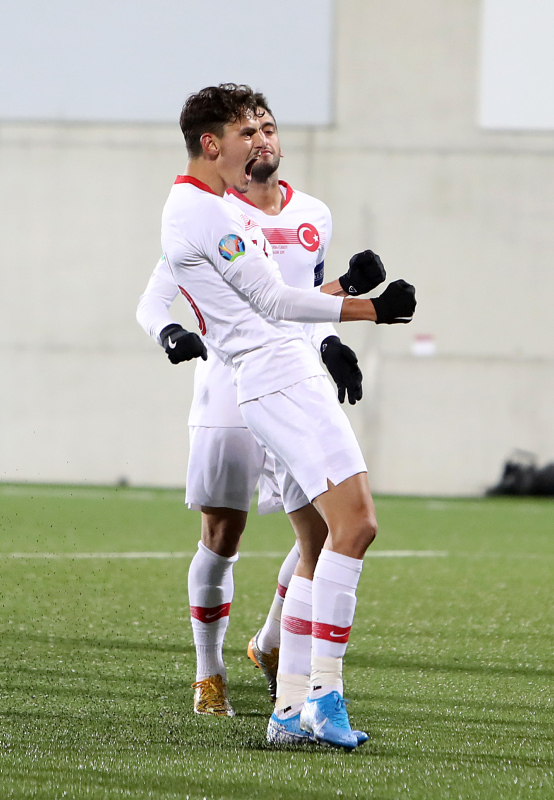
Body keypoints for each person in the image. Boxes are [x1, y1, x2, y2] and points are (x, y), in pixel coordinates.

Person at [158, 83, 416, 749]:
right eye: (245, 133)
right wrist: (371, 310)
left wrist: (342, 298)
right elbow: (274, 304)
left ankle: (290, 711)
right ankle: (318, 697)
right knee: (353, 526)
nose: (259, 143)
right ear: (211, 143)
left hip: (283, 372)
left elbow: (280, 295)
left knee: (323, 537)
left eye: (263, 130)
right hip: (275, 377)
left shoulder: (220, 207)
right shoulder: (203, 212)